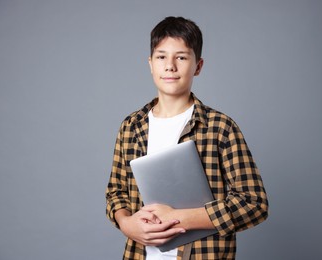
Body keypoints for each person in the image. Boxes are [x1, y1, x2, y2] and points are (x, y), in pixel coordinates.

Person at [106, 16, 269, 259]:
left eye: (181, 57)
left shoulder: (220, 127)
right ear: (150, 64)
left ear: (198, 66)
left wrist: (179, 217)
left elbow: (254, 204)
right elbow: (115, 192)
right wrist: (126, 223)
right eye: (161, 57)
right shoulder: (131, 127)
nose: (170, 66)